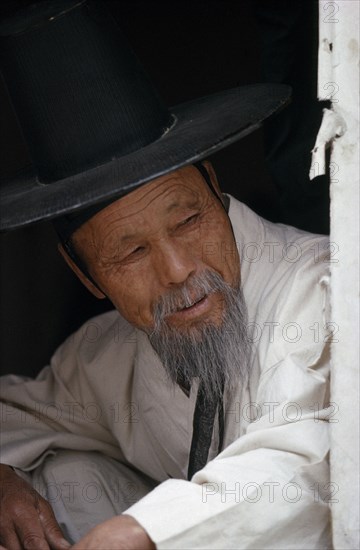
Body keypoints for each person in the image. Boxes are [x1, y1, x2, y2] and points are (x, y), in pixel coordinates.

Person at [0, 2, 332, 549]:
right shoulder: (104, 358)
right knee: (57, 475)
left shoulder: (321, 289)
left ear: (215, 191)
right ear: (85, 276)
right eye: (130, 253)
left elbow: (301, 465)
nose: (179, 270)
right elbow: (17, 417)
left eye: (188, 219)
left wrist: (144, 531)